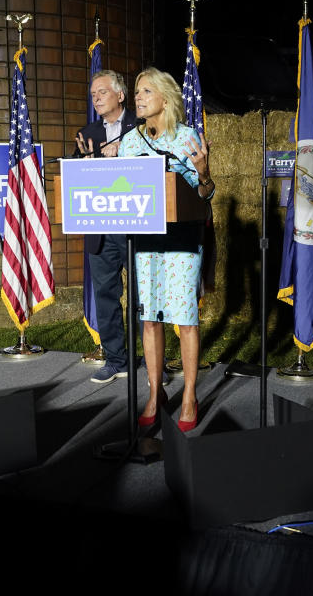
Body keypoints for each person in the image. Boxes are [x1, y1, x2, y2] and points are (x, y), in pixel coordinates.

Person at [118, 67, 214, 431]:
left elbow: (205, 196)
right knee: (150, 317)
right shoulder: (130, 141)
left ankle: (189, 394)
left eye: (144, 91)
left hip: (183, 242)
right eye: (136, 92)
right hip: (146, 243)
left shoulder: (188, 137)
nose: (138, 97)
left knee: (185, 317)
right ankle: (155, 393)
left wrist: (203, 174)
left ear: (165, 98)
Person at [74, 70, 138, 384]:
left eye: (101, 92)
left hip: (137, 229)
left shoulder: (141, 127)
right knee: (106, 298)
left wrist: (124, 152)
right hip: (100, 232)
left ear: (120, 95)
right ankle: (116, 360)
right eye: (93, 94)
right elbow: (73, 178)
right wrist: (86, 161)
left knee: (144, 298)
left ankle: (149, 360)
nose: (95, 98)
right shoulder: (86, 133)